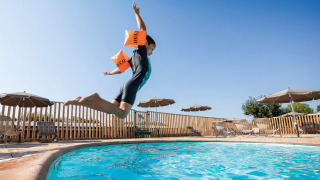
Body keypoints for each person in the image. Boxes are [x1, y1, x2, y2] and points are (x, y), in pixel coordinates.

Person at [64, 2, 156, 119]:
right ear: (146, 43)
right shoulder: (141, 51)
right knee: (122, 113)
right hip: (132, 85)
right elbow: (142, 29)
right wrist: (136, 14)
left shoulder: (133, 58)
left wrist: (109, 73)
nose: (152, 52)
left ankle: (81, 102)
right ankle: (96, 98)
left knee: (109, 110)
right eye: (152, 48)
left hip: (126, 85)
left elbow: (120, 69)